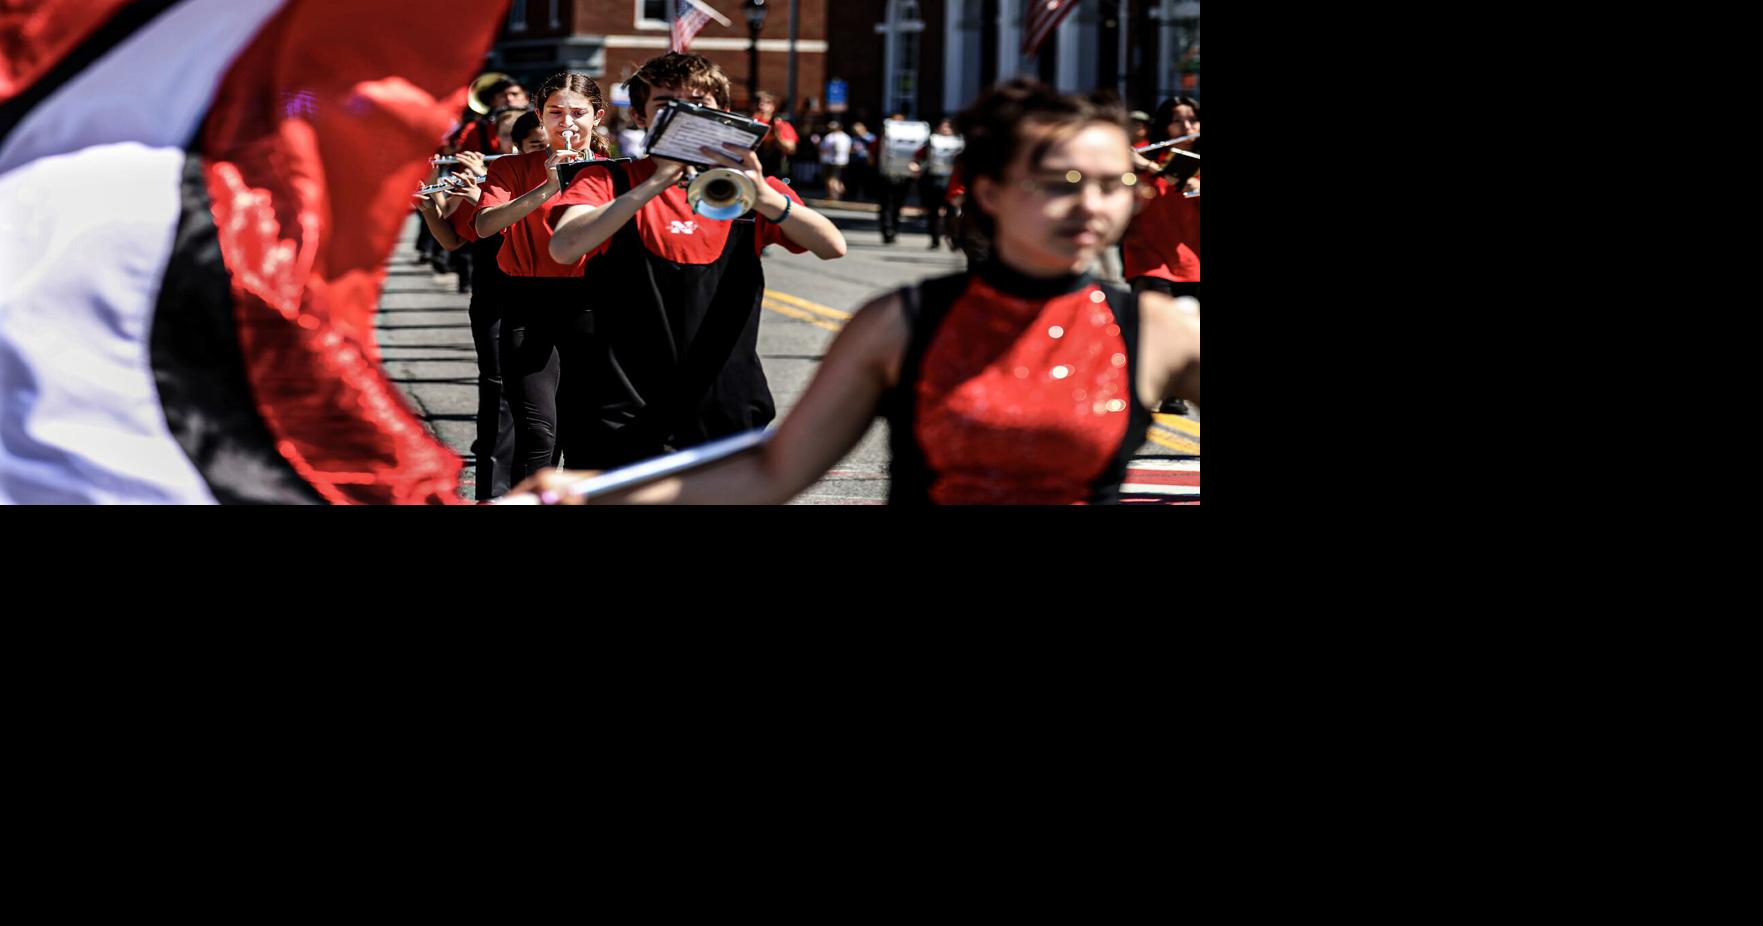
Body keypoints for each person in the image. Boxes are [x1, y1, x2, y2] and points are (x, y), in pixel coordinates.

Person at [511, 77, 1199, 505]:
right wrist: (599, 494)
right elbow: (774, 471)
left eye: (1114, 185)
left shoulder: (1159, 328)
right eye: (1063, 183)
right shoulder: (901, 321)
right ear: (990, 192)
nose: (1094, 207)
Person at [543, 52, 847, 469]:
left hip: (724, 405)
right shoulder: (607, 180)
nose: (684, 116)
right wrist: (656, 182)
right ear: (638, 116)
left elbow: (833, 246)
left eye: (699, 105)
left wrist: (761, 192)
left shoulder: (756, 190)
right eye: (667, 106)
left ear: (723, 113)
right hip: (624, 408)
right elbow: (564, 246)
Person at [474, 71, 613, 477]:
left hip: (594, 306)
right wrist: (548, 188)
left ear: (597, 116)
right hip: (527, 304)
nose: (566, 123)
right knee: (538, 435)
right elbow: (484, 226)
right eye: (555, 112)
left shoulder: (616, 171)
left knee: (587, 437)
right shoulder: (511, 168)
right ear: (539, 115)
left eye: (578, 113)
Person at [1120, 95, 1200, 415]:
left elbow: (1187, 184)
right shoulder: (1142, 155)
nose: (1188, 126)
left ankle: (1173, 390)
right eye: (1178, 120)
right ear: (1165, 125)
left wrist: (1151, 166)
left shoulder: (1181, 162)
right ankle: (1134, 389)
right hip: (1149, 257)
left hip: (1191, 259)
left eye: (1193, 120)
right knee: (1149, 325)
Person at [914, 118, 962, 249]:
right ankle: (935, 240)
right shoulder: (931, 142)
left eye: (949, 127)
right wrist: (916, 165)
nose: (946, 129)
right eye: (943, 127)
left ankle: (954, 239)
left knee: (952, 213)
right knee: (933, 212)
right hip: (934, 180)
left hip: (952, 182)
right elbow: (918, 156)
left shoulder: (959, 143)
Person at [753, 90, 798, 182]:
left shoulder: (781, 125)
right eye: (758, 102)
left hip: (773, 174)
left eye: (767, 103)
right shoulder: (749, 122)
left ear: (773, 106)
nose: (761, 105)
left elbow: (791, 149)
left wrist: (776, 135)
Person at [819, 120, 851, 200]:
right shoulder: (846, 137)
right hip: (844, 161)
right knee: (839, 179)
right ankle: (839, 195)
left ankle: (833, 196)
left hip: (832, 162)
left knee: (831, 179)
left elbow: (823, 149)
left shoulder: (830, 137)